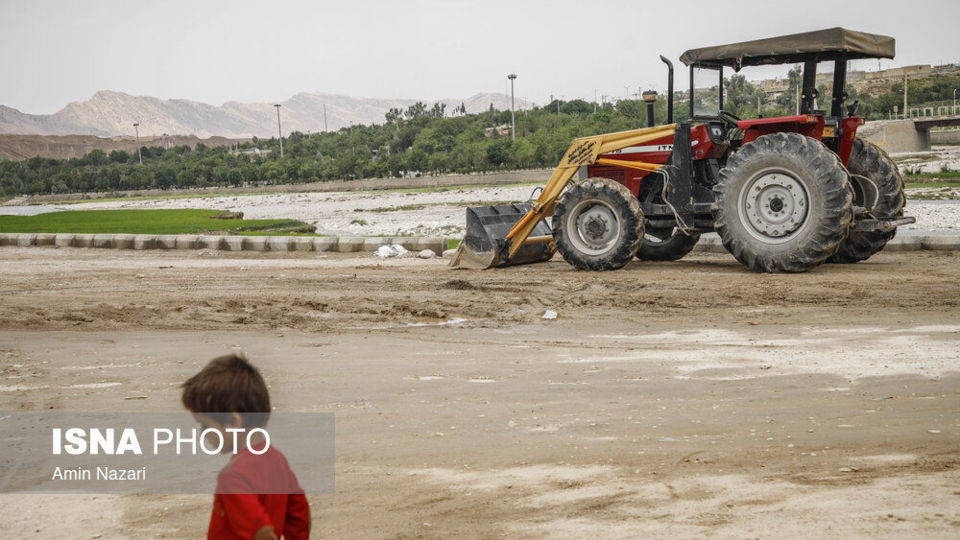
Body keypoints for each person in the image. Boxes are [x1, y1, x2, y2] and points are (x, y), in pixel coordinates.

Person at [182, 352, 310, 540]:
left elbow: (261, 531)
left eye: (206, 424)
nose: (203, 433)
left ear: (233, 421)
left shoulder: (232, 476)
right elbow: (300, 513)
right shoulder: (276, 460)